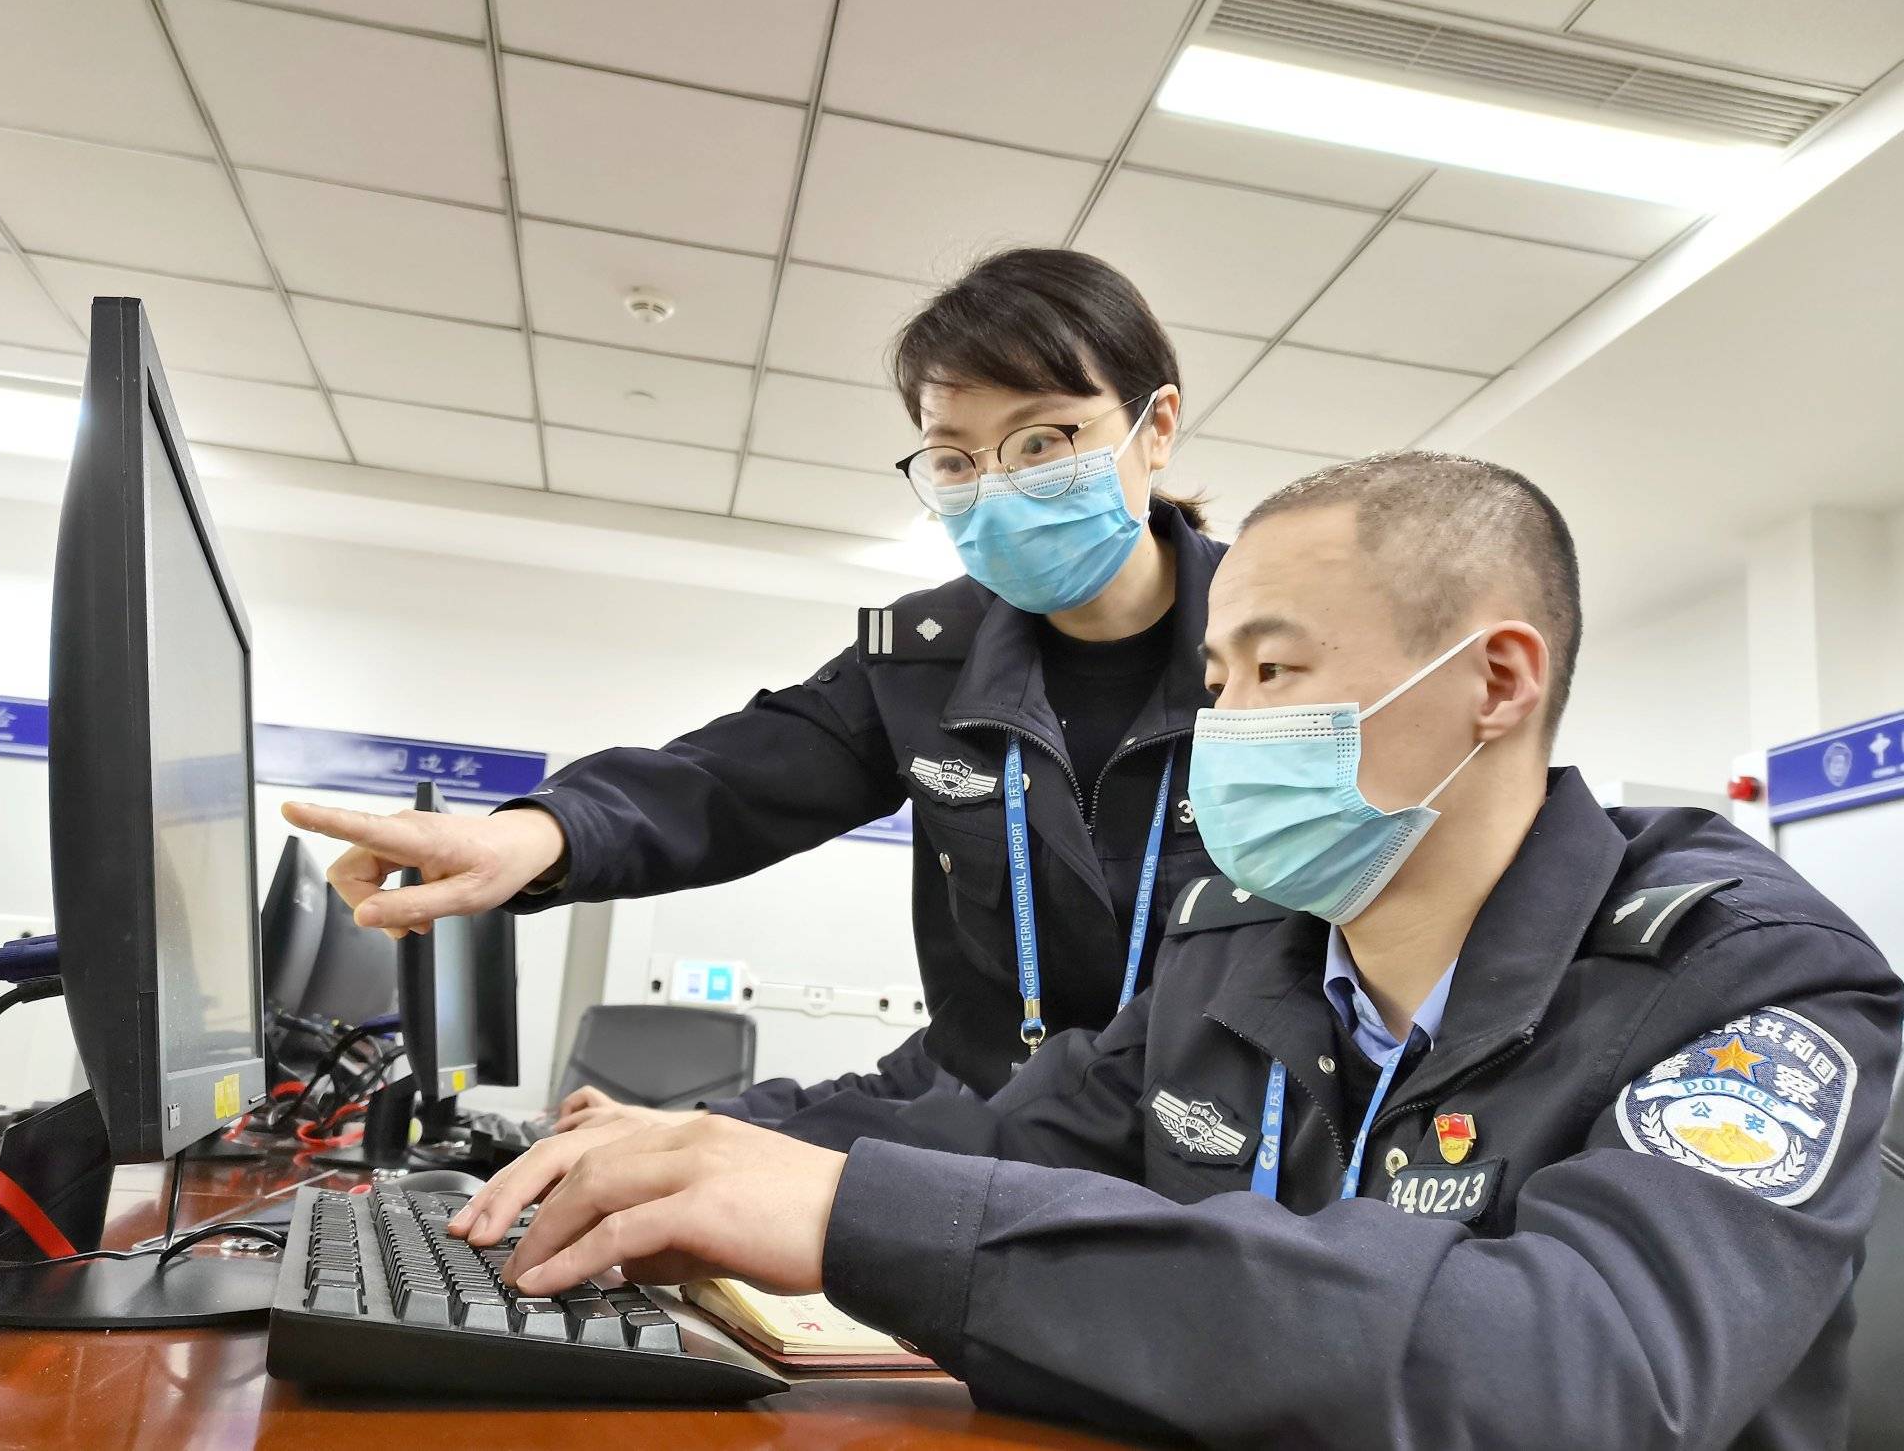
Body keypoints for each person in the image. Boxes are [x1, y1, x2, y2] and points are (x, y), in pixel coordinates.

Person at [445, 452, 1903, 1449]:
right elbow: (1000, 1138)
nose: (1224, 723)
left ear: (1496, 683)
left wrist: (859, 1216)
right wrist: (702, 1143)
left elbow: (1571, 1373)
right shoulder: (1243, 942)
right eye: (1216, 678)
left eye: (1275, 668)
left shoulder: (1748, 973)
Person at [284, 248, 1272, 1133]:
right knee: (679, 1161)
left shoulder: (1286, 652)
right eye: (954, 460)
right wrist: (532, 835)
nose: (999, 486)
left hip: (1215, 1150)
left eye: (1042, 442)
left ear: (1156, 426)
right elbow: (728, 778)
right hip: (989, 1118)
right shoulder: (926, 656)